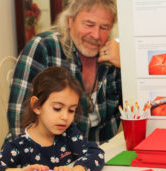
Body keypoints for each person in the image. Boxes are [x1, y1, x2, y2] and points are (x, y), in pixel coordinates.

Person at [0, 67, 105, 171]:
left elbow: (96, 153)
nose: (65, 117)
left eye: (71, 110)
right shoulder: (20, 146)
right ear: (36, 106)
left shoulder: (69, 133)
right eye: (57, 108)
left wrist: (75, 170)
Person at [7, 0, 122, 145]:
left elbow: (138, 112)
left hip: (97, 158)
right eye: (89, 25)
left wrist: (127, 65)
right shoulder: (43, 47)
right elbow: (19, 120)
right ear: (70, 21)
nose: (96, 35)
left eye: (104, 27)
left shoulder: (113, 57)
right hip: (41, 157)